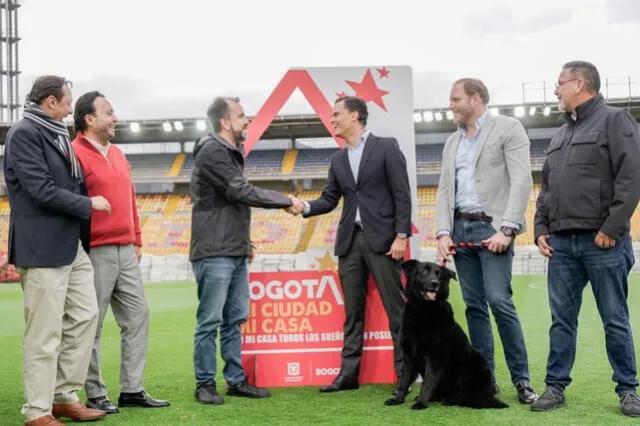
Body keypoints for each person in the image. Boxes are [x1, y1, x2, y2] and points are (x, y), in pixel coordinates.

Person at [532, 61, 640, 416]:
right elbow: (547, 187)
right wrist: (541, 227)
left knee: (614, 317)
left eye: (559, 83)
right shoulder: (560, 133)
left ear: (578, 83)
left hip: (602, 242)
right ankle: (555, 386)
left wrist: (612, 228)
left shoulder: (614, 120)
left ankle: (628, 390)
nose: (555, 90)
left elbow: (631, 176)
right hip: (561, 244)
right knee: (561, 319)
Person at [3, 75, 110, 425]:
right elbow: (41, 190)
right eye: (67, 102)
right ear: (50, 102)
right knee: (44, 333)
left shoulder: (56, 134)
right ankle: (37, 411)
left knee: (85, 317)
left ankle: (64, 394)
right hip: (42, 247)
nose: (70, 109)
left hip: (70, 244)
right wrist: (88, 203)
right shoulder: (24, 134)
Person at [288, 96, 412, 394]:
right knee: (352, 314)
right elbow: (330, 199)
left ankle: (404, 375)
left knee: (397, 312)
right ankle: (348, 375)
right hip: (350, 242)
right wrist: (304, 206)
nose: (331, 120)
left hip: (383, 241)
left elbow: (402, 194)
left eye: (336, 114)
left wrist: (401, 236)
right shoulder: (338, 159)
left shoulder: (386, 147)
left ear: (355, 116)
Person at [434, 78, 538, 404]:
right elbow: (443, 190)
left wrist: (507, 230)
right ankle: (485, 378)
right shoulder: (451, 142)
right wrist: (442, 232)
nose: (450, 104)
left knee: (499, 301)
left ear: (475, 99)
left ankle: (522, 380)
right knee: (474, 308)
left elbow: (522, 178)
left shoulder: (508, 128)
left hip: (493, 229)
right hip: (460, 231)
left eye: (455, 98)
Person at [189, 96, 294, 405]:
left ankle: (235, 380)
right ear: (225, 121)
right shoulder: (212, 150)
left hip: (231, 249)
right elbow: (240, 192)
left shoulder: (230, 152)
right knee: (210, 321)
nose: (247, 120)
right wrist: (286, 200)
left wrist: (244, 243)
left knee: (234, 320)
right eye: (241, 115)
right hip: (213, 250)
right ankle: (205, 383)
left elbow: (231, 203)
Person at [71, 91, 170, 414]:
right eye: (109, 112)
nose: (115, 118)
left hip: (126, 249)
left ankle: (132, 388)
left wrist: (137, 238)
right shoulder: (73, 154)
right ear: (89, 119)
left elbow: (129, 200)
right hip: (94, 251)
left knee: (138, 316)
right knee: (92, 324)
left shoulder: (119, 154)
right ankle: (96, 393)